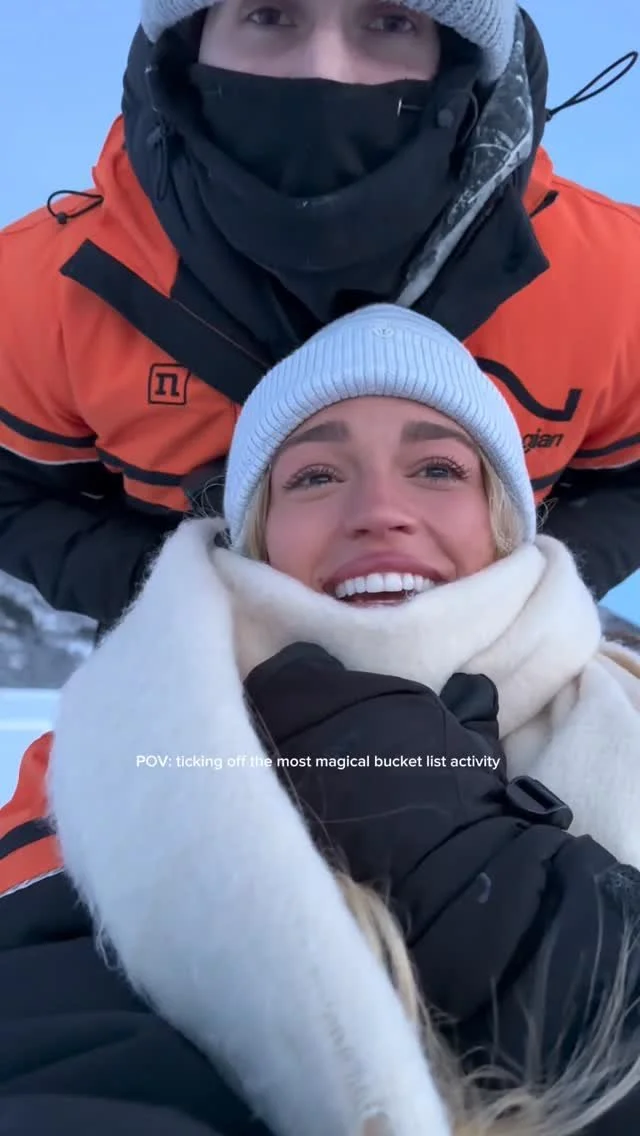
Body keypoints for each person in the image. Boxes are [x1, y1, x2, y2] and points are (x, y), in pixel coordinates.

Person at [4, 305, 640, 1135]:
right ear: (258, 533)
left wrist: (498, 896)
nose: (379, 509)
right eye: (314, 476)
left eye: (438, 468)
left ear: (502, 521)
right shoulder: (108, 757)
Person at [0, 1, 639, 636]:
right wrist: (180, 593)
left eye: (390, 22)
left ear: (459, 55)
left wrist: (521, 594)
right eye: (269, 15)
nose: (323, 70)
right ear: (190, 40)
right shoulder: (38, 292)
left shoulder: (615, 282)